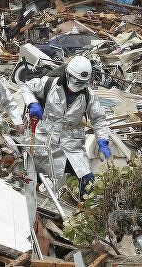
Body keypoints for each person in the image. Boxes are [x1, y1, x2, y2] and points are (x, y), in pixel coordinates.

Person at [20, 55, 110, 197]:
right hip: (45, 139)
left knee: (87, 180)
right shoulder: (49, 84)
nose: (77, 85)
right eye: (75, 80)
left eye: (82, 82)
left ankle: (84, 210)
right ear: (67, 75)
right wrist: (33, 103)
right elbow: (26, 87)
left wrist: (103, 141)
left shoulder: (88, 95)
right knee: (31, 177)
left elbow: (98, 119)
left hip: (71, 144)